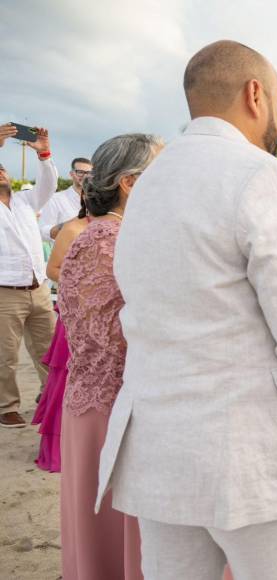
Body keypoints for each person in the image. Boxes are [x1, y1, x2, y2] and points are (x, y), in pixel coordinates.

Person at [97, 41, 277, 580]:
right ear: (254, 94)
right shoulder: (262, 175)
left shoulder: (146, 188)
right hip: (251, 453)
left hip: (160, 448)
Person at [58, 133, 161, 580]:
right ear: (130, 184)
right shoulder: (120, 244)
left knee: (101, 536)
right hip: (121, 415)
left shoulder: (85, 236)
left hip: (86, 406)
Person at [31, 187, 93, 472]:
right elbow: (52, 270)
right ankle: (60, 447)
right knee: (68, 377)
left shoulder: (122, 227)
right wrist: (88, 279)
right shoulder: (73, 228)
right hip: (77, 313)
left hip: (108, 315)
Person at [0, 124, 58, 429]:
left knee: (47, 348)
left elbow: (47, 186)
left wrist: (44, 153)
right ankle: (7, 405)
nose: (1, 172)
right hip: (5, 291)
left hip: (38, 288)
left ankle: (50, 395)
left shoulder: (25, 201)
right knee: (5, 353)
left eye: (2, 169)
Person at [38, 157, 92, 242]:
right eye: (80, 172)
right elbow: (43, 231)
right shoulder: (56, 199)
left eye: (89, 173)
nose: (85, 176)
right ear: (71, 174)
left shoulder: (97, 200)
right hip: (64, 252)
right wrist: (67, 227)